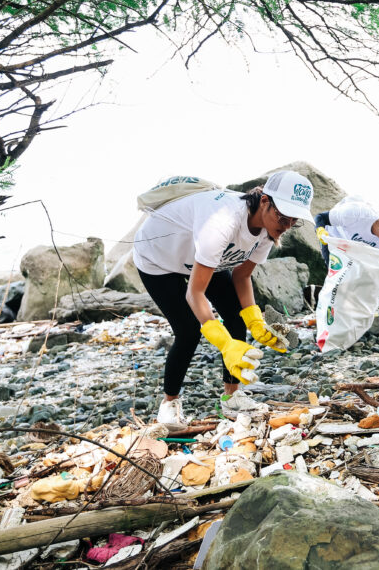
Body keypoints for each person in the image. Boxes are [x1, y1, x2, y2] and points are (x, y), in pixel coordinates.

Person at [133, 170, 315, 426]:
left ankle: (232, 397)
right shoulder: (223, 221)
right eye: (282, 217)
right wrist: (224, 344)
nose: (285, 227)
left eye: (293, 221)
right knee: (188, 331)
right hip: (159, 260)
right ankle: (169, 403)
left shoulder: (268, 229)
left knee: (236, 317)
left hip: (204, 260)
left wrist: (254, 321)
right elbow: (194, 293)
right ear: (265, 200)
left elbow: (241, 277)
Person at [314, 197, 379, 337]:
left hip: (357, 246)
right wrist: (320, 230)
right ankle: (329, 322)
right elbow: (320, 217)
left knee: (365, 277)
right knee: (338, 279)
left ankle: (357, 318)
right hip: (334, 237)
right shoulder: (355, 214)